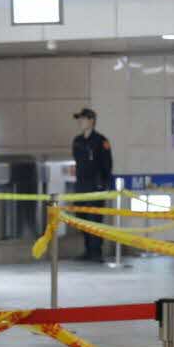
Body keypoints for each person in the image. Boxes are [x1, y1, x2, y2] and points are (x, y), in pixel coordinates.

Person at [71, 108, 113, 263]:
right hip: (81, 186)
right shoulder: (77, 141)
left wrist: (104, 184)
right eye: (79, 119)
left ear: (91, 121)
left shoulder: (101, 141)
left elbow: (107, 164)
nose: (80, 122)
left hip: (96, 186)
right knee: (81, 218)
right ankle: (88, 250)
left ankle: (96, 252)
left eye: (83, 119)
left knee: (94, 219)